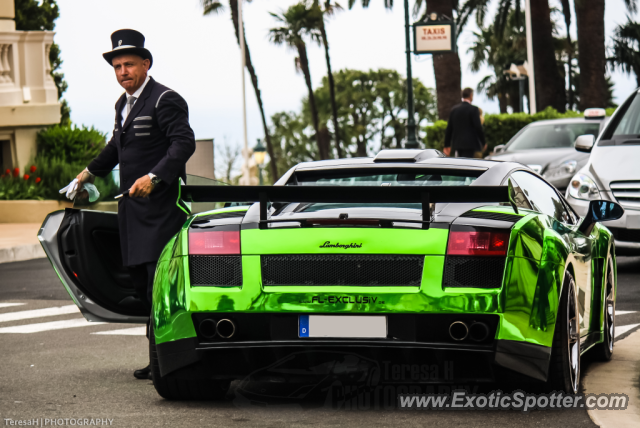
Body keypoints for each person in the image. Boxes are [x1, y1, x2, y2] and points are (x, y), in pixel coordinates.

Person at [76, 29, 195, 380]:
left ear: (145, 64)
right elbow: (117, 147)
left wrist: (155, 177)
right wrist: (88, 171)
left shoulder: (165, 99)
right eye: (117, 66)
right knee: (142, 284)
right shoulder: (122, 105)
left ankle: (170, 360)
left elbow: (182, 144)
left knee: (159, 285)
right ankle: (159, 357)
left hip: (161, 211)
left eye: (129, 64)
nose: (123, 72)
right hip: (132, 212)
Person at [443, 88, 487, 158]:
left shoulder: (454, 110)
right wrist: (483, 142)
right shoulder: (474, 109)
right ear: (471, 95)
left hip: (457, 144)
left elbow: (449, 129)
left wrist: (447, 145)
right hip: (470, 144)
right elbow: (478, 127)